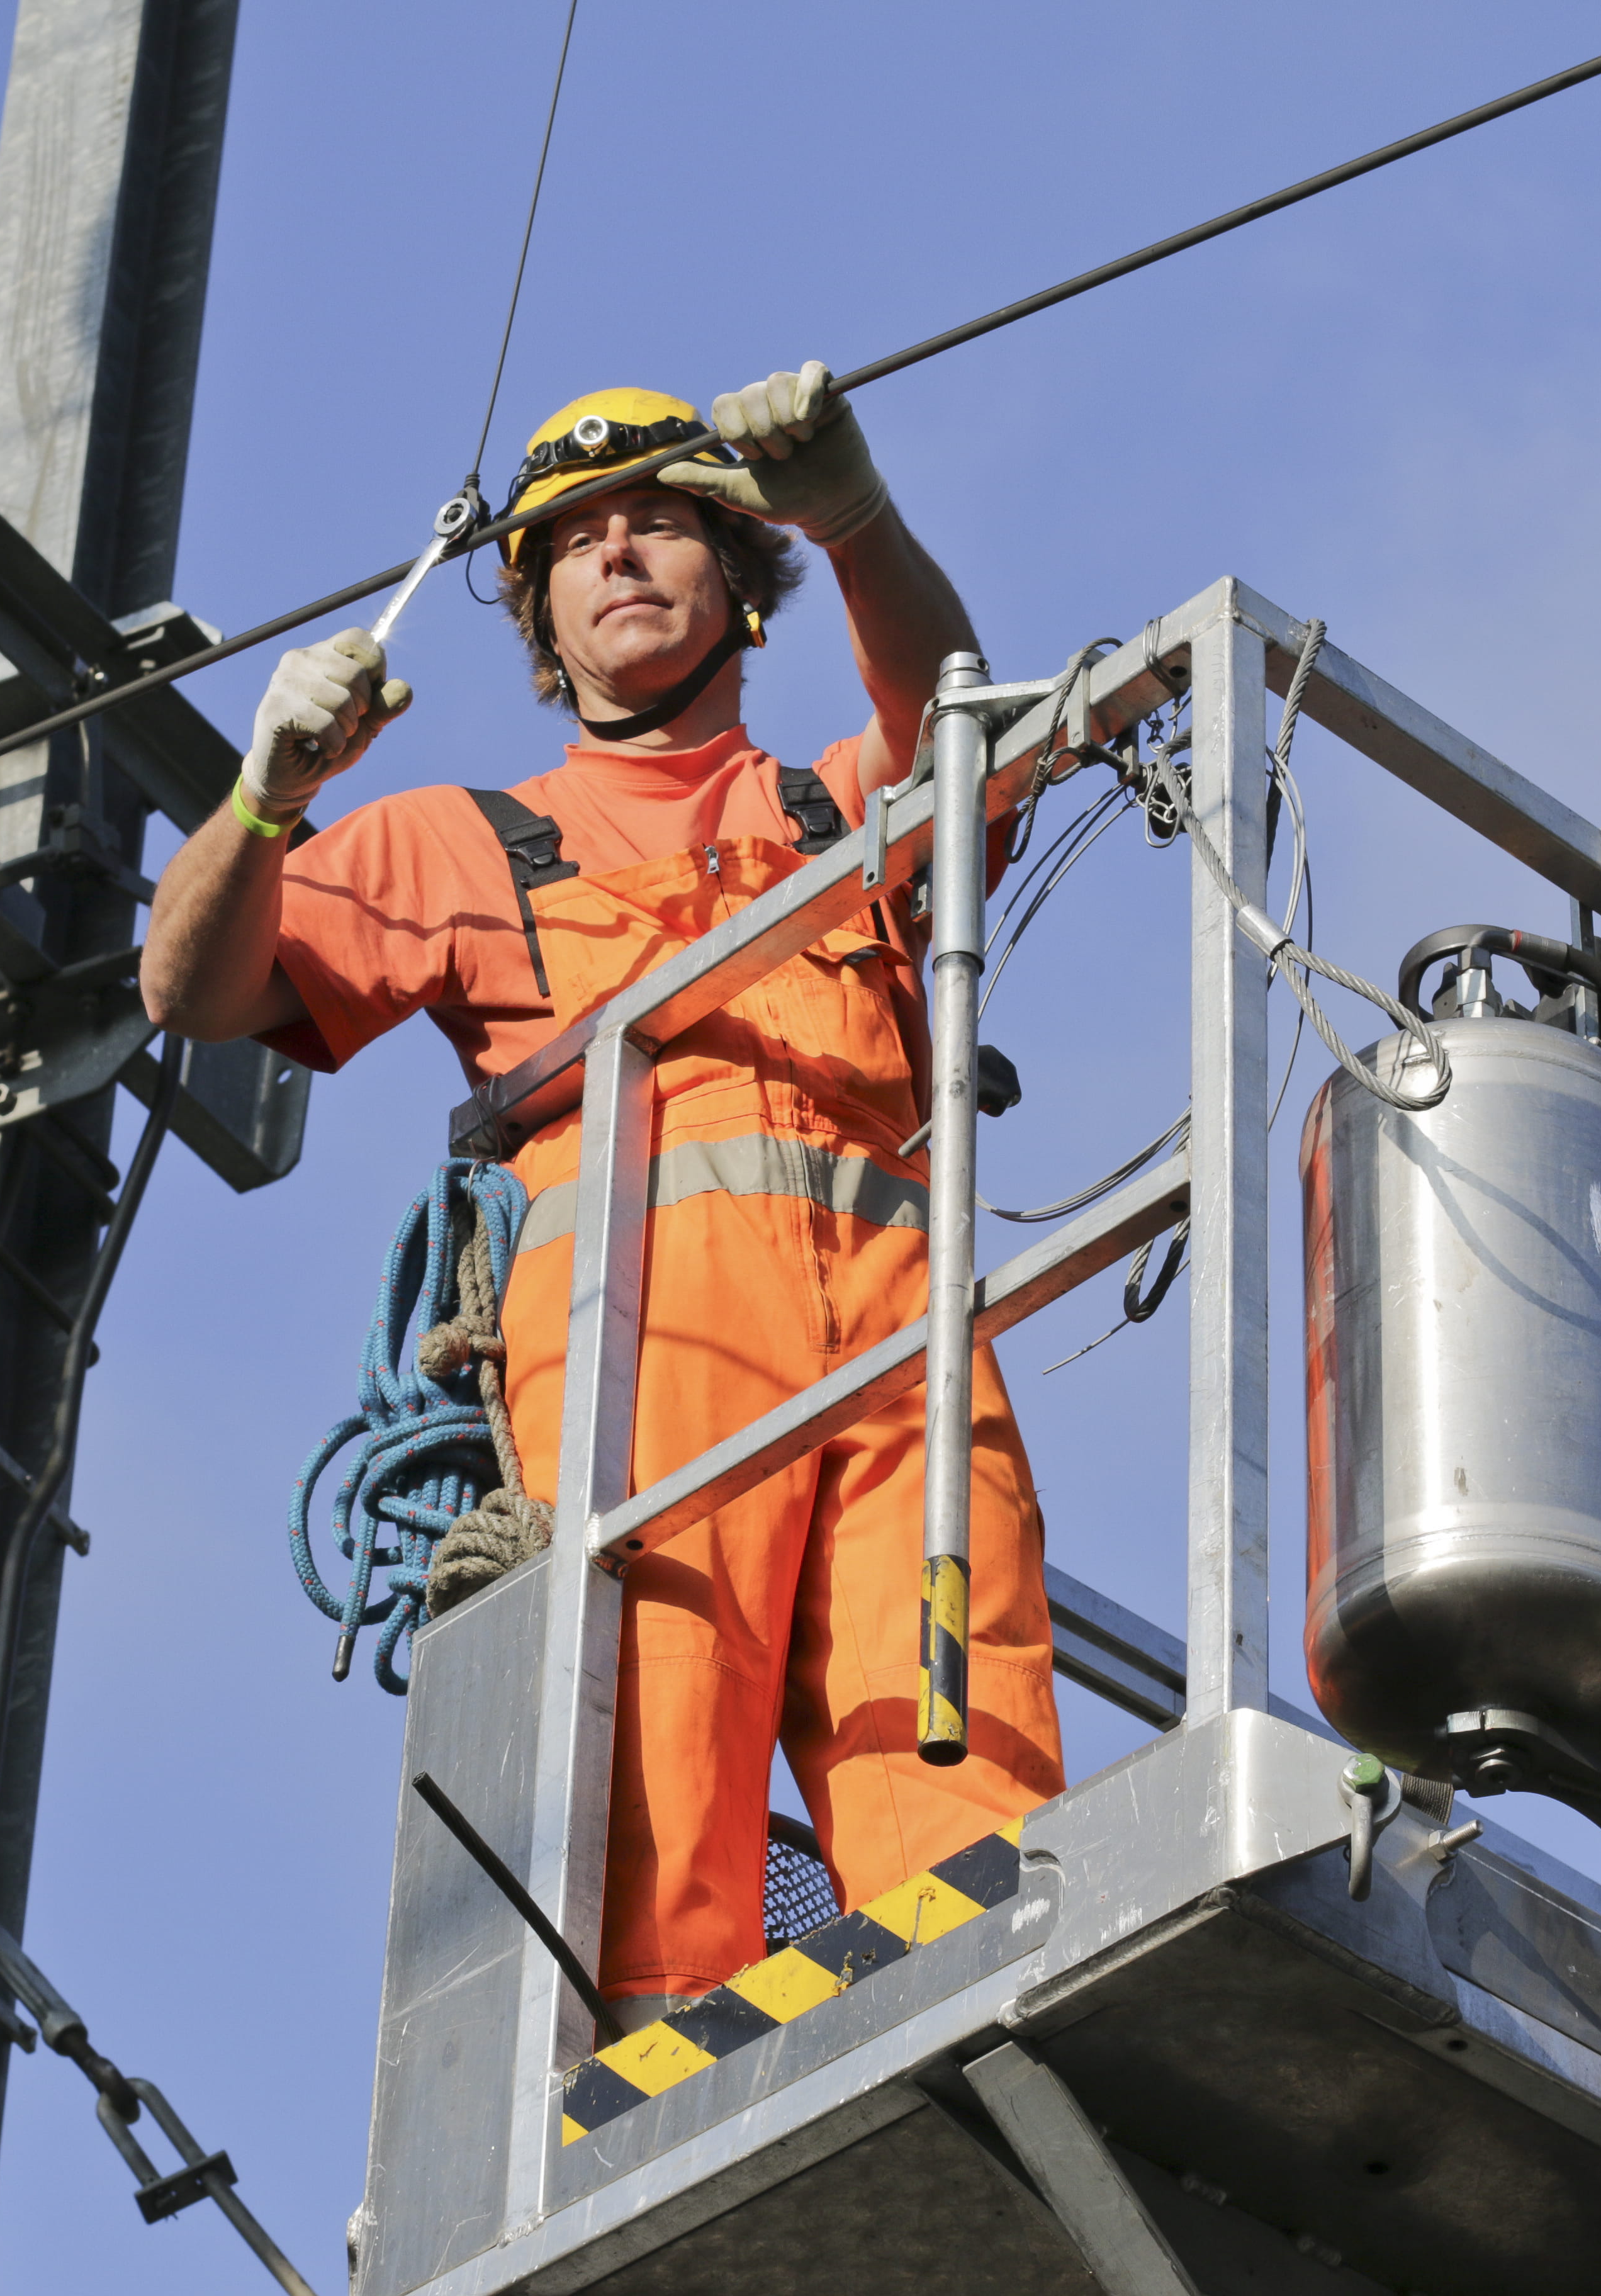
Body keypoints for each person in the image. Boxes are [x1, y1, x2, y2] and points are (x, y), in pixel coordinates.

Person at [142, 364, 1063, 2025]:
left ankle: (986, 2020)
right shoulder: (461, 843)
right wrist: (265, 797)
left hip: (900, 1321)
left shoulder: (830, 807)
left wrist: (853, 515)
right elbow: (194, 989)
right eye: (575, 542)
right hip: (644, 1333)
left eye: (662, 524)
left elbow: (965, 731)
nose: (620, 554)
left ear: (746, 584)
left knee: (955, 1723)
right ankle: (655, 2097)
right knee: (658, 1767)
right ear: (540, 620)